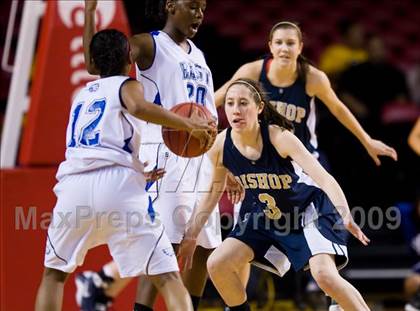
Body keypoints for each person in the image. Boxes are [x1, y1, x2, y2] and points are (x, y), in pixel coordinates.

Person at [213, 21, 397, 309]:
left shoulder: (311, 77)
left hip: (299, 164)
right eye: (279, 43)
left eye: (291, 43)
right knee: (240, 233)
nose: (285, 48)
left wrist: (366, 140)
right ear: (269, 46)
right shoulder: (251, 72)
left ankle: (326, 282)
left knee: (315, 221)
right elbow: (220, 98)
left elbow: (337, 107)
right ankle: (238, 298)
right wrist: (195, 130)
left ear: (301, 47)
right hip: (260, 166)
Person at [35, 28, 216, 311]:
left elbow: (98, 148)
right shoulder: (128, 85)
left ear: (92, 63)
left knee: (54, 275)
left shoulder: (82, 95)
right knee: (168, 278)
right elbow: (139, 107)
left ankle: (96, 282)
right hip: (118, 187)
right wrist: (187, 124)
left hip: (73, 188)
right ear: (129, 58)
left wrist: (90, 13)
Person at [179, 78, 371, 311]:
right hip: (269, 216)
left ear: (259, 108)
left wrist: (345, 213)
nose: (235, 110)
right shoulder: (221, 144)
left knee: (325, 276)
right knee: (218, 263)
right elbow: (212, 192)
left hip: (308, 211)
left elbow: (324, 178)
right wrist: (191, 235)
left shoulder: (279, 137)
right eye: (229, 103)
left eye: (243, 103)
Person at [79, 1, 222, 310]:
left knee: (202, 249)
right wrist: (90, 13)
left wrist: (216, 141)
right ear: (171, 6)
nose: (199, 13)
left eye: (203, 8)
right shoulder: (149, 43)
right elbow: (96, 64)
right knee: (163, 248)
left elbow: (209, 110)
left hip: (200, 156)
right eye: (193, 6)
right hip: (164, 152)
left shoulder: (199, 55)